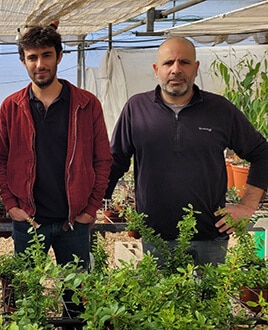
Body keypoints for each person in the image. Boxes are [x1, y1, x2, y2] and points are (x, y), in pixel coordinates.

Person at [105, 37, 268, 266]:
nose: (176, 69)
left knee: (211, 301)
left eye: (184, 62)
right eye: (168, 63)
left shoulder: (220, 109)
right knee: (162, 300)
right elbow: (116, 161)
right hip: (156, 238)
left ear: (196, 68)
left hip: (210, 237)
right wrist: (96, 205)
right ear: (156, 69)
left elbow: (262, 152)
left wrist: (247, 206)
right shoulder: (136, 109)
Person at [0, 24, 113, 326]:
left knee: (76, 299)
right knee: (26, 294)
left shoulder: (86, 104)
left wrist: (90, 208)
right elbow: (2, 159)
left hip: (73, 221)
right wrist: (11, 205)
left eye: (46, 55)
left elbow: (103, 159)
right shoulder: (11, 107)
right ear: (23, 61)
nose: (40, 64)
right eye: (32, 57)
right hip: (29, 220)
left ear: (59, 57)